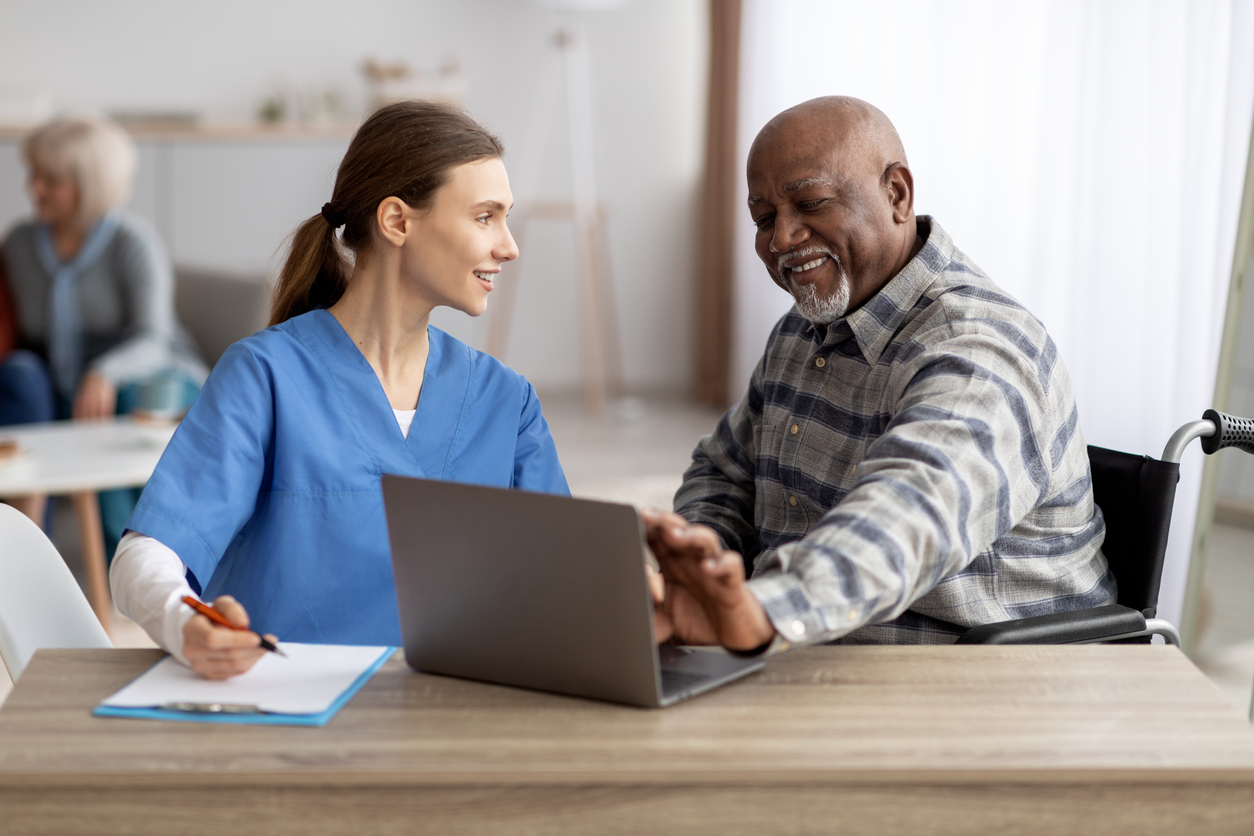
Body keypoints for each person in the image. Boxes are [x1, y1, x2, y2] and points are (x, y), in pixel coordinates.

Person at [109, 101, 569, 680]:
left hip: (454, 725)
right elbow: (144, 556)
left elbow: (566, 584)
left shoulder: (507, 402)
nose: (509, 246)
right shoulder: (265, 376)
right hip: (286, 721)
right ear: (397, 221)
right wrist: (189, 625)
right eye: (485, 217)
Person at [645, 96, 1113, 654]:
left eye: (811, 203)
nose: (782, 238)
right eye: (764, 218)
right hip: (801, 655)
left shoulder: (980, 348)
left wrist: (766, 609)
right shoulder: (801, 330)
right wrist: (700, 565)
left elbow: (908, 513)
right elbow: (725, 471)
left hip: (972, 684)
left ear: (897, 194)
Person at [0, 114, 207, 542]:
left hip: (147, 375)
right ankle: (31, 545)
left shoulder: (133, 242)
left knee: (124, 399)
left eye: (50, 179)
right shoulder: (19, 243)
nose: (34, 188)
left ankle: (128, 558)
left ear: (88, 182)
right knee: (20, 375)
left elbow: (154, 336)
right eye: (33, 174)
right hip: (63, 383)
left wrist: (103, 374)